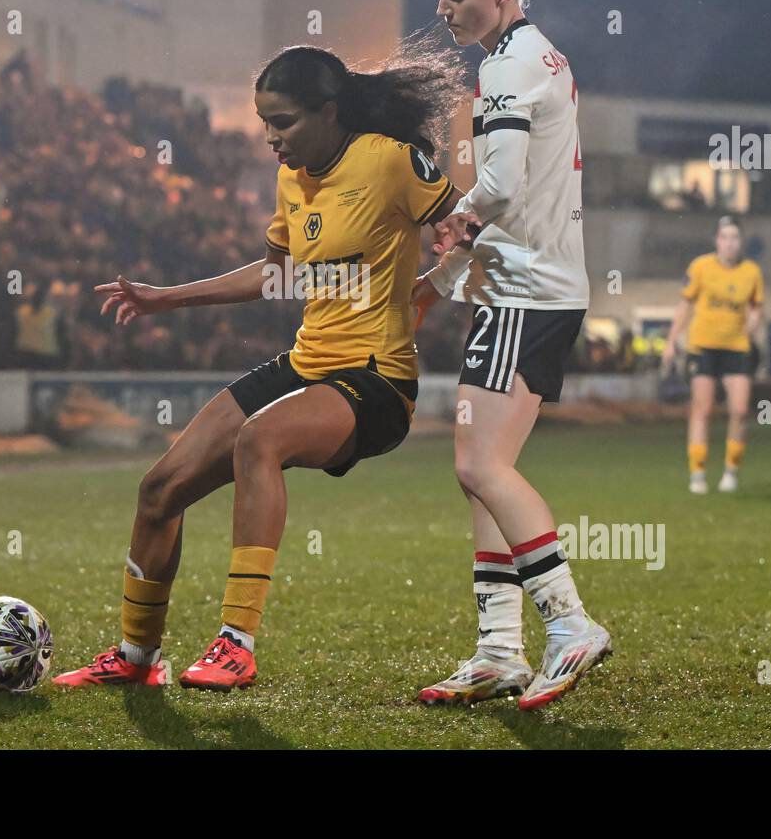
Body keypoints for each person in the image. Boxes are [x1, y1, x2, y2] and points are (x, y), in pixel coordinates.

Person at [53, 42, 467, 691]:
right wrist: (167, 298)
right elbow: (274, 274)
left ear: (329, 112)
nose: (271, 137)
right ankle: (137, 657)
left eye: (283, 122)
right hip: (306, 363)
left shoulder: (388, 161)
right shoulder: (292, 178)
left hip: (376, 379)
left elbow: (469, 225)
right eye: (264, 123)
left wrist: (435, 279)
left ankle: (235, 645)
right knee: (160, 490)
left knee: (259, 439)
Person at [411, 0, 611, 710]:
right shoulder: (541, 56)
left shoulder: (506, 66)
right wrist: (443, 278)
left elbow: (496, 187)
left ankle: (569, 623)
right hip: (543, 289)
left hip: (521, 295)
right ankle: (499, 651)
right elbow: (516, 197)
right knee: (484, 475)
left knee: (479, 468)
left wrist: (450, 219)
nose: (445, 9)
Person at [662, 216, 764, 493]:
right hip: (702, 346)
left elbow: (756, 307)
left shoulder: (752, 272)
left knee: (740, 411)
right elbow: (685, 305)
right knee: (702, 409)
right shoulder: (701, 267)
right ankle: (698, 473)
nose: (730, 243)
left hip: (737, 347)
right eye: (725, 237)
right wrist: (671, 341)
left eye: (735, 237)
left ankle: (731, 471)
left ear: (741, 242)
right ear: (716, 241)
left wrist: (754, 321)